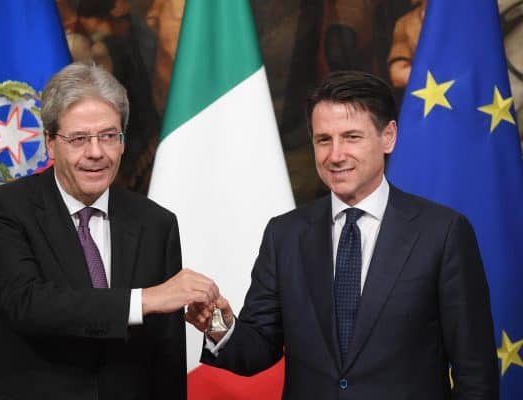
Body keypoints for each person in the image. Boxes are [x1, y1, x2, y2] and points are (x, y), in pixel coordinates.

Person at [186, 70, 498, 399]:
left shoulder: (443, 232)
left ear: (388, 136)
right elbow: (259, 349)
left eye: (351, 137)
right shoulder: (285, 235)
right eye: (324, 140)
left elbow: (475, 372)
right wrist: (217, 325)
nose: (335, 155)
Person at [0, 62, 219, 400]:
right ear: (50, 143)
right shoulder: (2, 209)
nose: (96, 152)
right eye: (79, 139)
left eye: (108, 136)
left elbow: (166, 353)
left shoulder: (155, 222)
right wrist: (144, 299)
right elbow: (28, 304)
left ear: (123, 142)